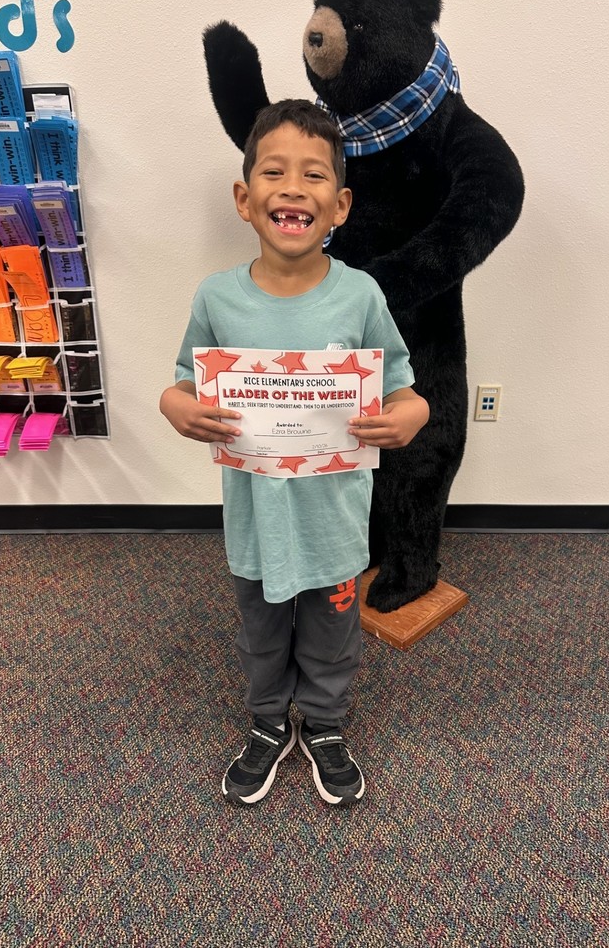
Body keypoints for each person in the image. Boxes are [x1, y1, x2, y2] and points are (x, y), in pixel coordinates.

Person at [160, 99, 429, 806]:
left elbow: (403, 387)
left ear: (338, 206)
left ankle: (328, 725)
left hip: (335, 518)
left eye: (313, 175)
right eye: (273, 171)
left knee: (333, 631)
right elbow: (184, 381)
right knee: (261, 627)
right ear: (245, 199)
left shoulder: (360, 295)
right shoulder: (217, 297)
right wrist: (178, 407)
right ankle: (267, 722)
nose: (292, 187)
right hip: (254, 519)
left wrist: (409, 416)